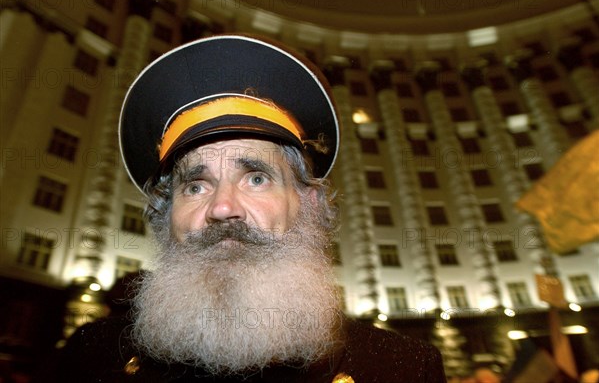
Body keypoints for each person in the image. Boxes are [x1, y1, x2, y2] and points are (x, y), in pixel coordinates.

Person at [39, 34, 446, 382]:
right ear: (166, 218)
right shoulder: (93, 357)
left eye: (256, 178)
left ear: (307, 202)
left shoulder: (403, 368)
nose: (222, 208)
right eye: (196, 186)